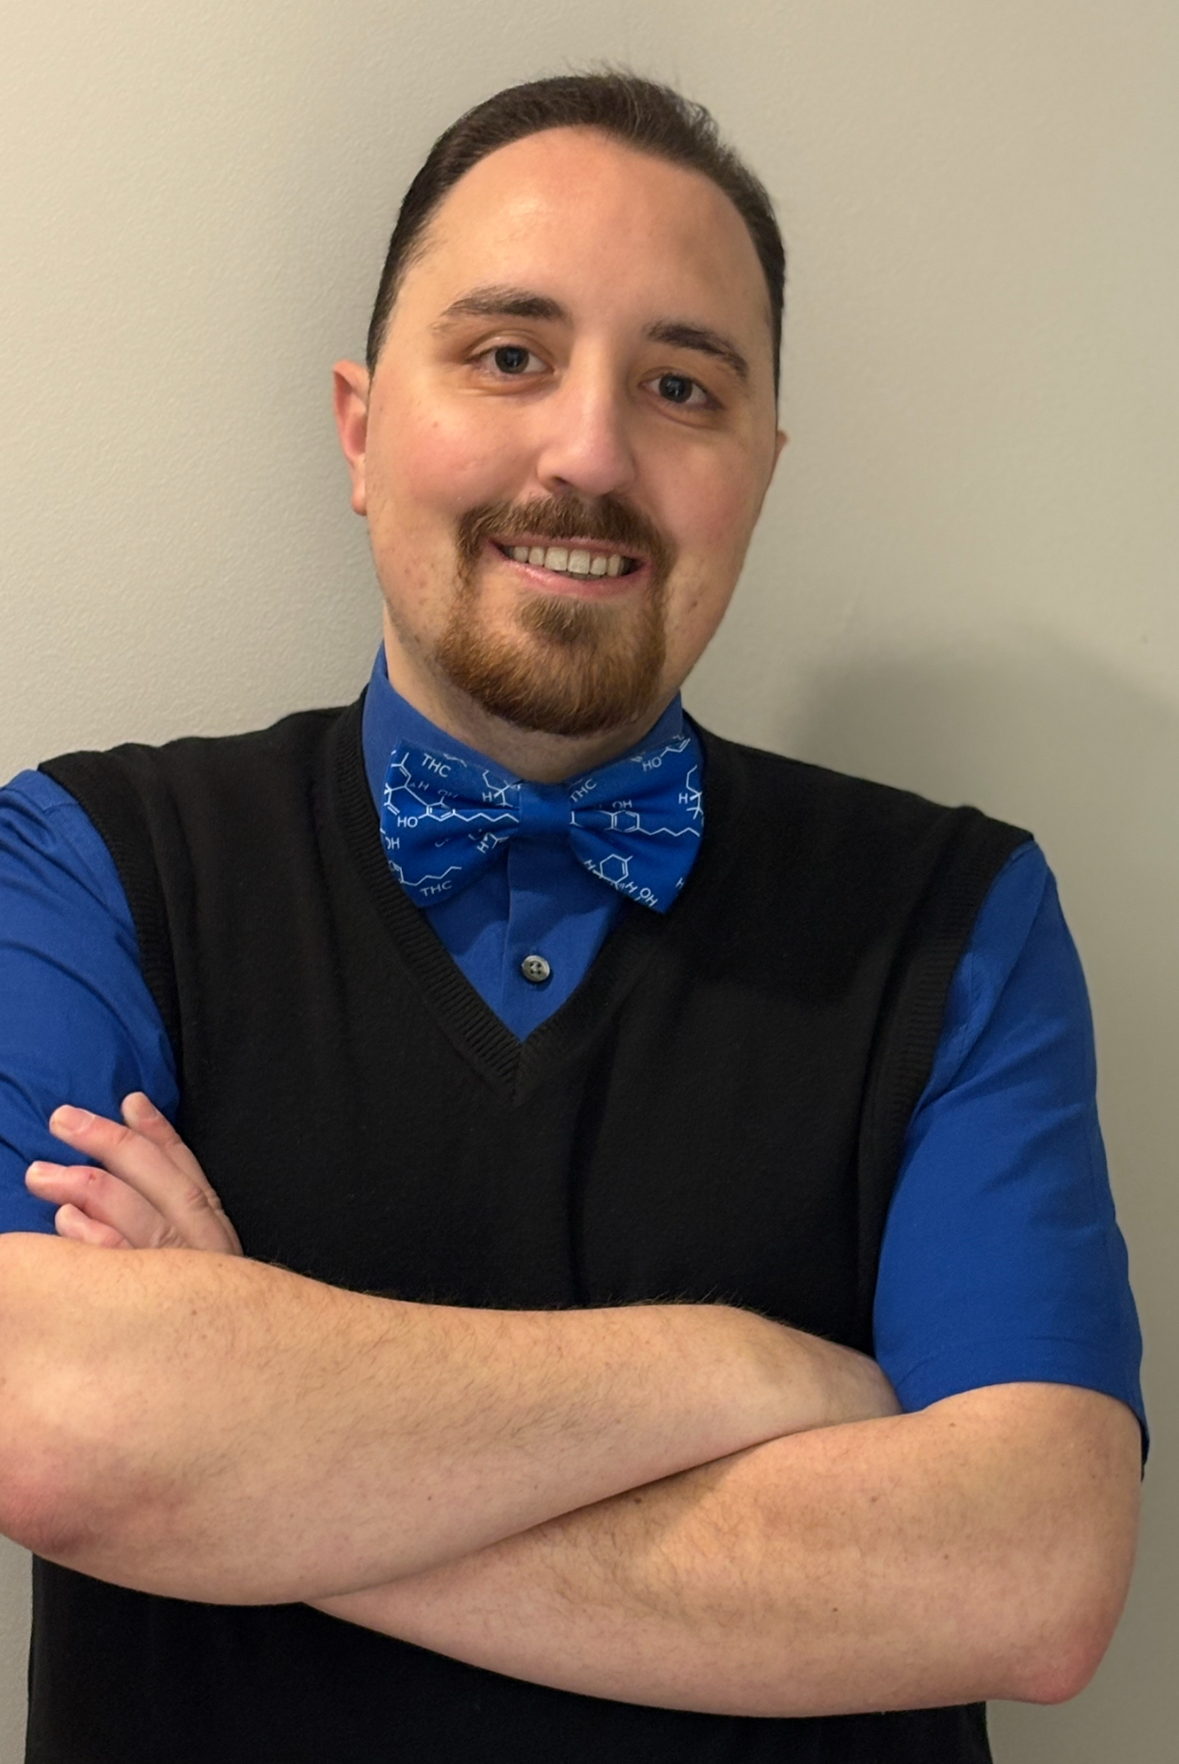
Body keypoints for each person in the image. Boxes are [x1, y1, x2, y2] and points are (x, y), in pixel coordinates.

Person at [0, 72, 1143, 1764]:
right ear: (360, 428)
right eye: (508, 354)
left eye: (682, 386)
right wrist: (748, 1374)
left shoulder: (959, 919)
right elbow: (50, 1423)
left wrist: (255, 1448)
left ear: (759, 472)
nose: (592, 453)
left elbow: (1029, 1577)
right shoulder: (84, 860)